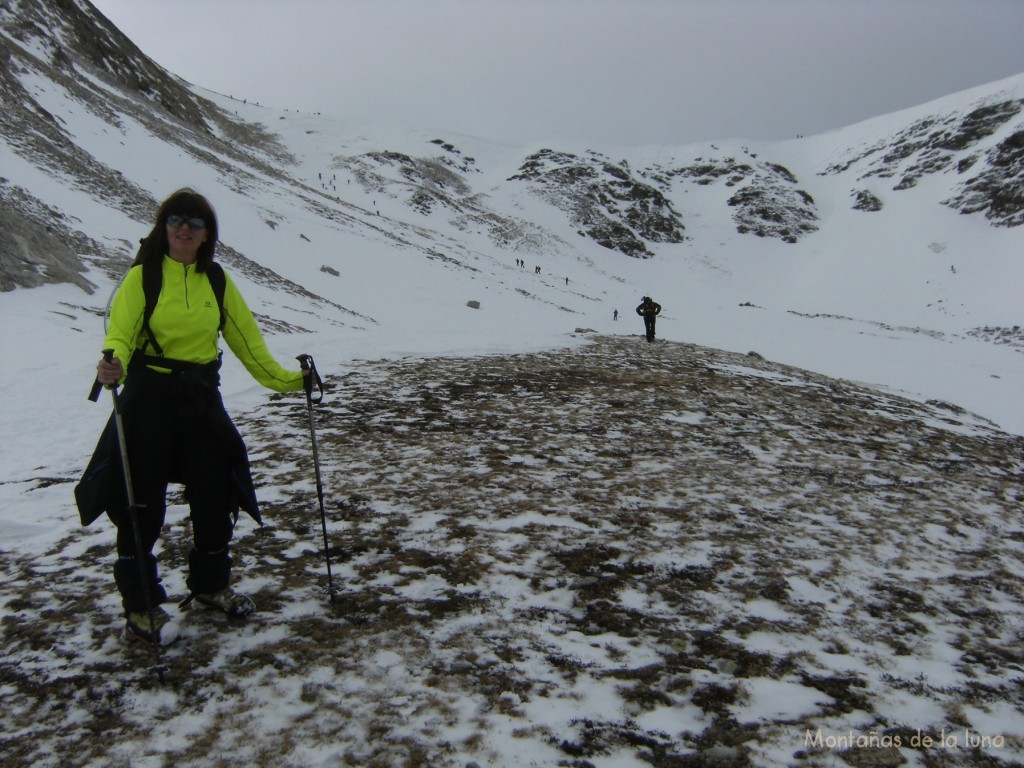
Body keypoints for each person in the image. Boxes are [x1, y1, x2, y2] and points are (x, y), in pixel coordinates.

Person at [92, 188, 309, 645]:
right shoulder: (143, 278)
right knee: (141, 502)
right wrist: (113, 365)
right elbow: (121, 335)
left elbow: (251, 348)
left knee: (216, 487)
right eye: (175, 219)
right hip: (147, 397)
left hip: (200, 399)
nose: (183, 228)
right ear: (163, 226)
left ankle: (210, 585)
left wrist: (295, 381)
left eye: (194, 221)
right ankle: (141, 604)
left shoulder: (217, 281)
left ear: (207, 233)